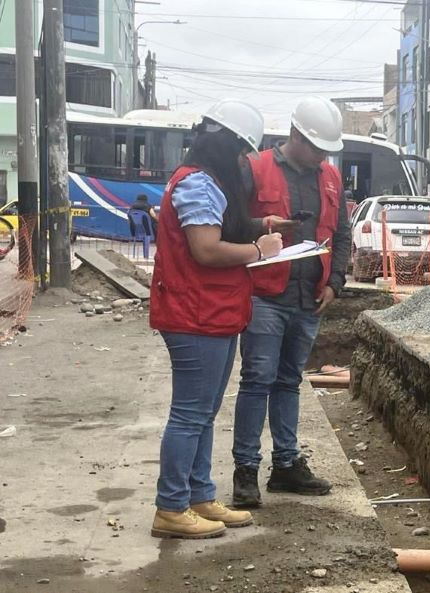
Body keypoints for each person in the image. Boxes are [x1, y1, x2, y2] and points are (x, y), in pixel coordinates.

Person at [149, 99, 285, 539]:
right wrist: (259, 251)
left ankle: (199, 496)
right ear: (225, 144)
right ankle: (171, 507)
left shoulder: (206, 183)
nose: (246, 161)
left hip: (213, 312)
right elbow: (206, 249)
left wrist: (255, 228)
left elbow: (221, 230)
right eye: (243, 151)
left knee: (203, 414)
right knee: (190, 415)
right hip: (195, 315)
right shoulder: (198, 184)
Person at [231, 96, 351, 506]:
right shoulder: (255, 167)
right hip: (265, 294)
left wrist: (334, 282)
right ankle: (245, 470)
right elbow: (230, 224)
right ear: (295, 135)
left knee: (289, 381)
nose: (321, 156)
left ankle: (285, 465)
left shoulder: (331, 178)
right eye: (316, 147)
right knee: (257, 380)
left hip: (307, 297)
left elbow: (341, 235)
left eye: (325, 150)